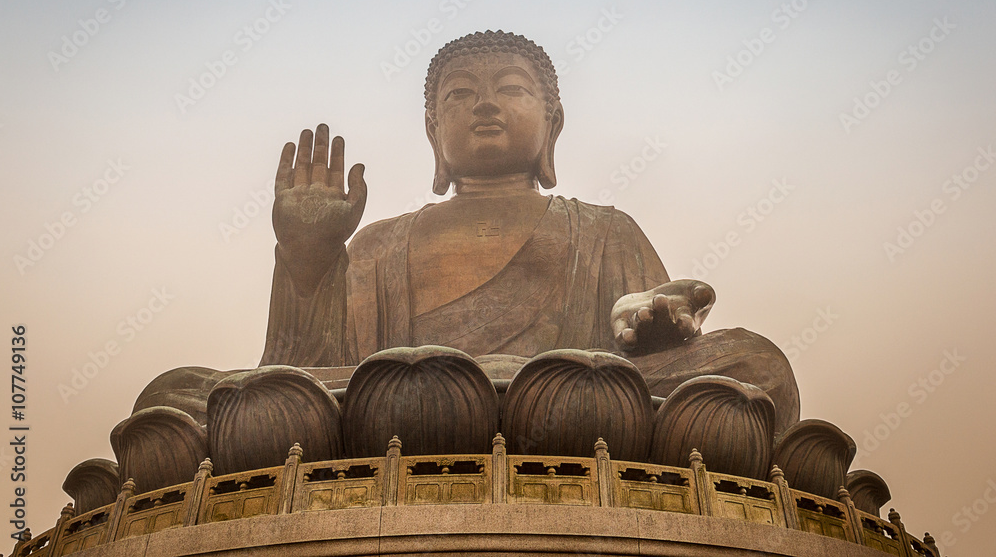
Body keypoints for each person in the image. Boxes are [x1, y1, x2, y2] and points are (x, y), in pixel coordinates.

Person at [259, 30, 799, 433]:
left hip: (565, 406)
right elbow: (304, 374)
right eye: (460, 94)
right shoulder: (380, 244)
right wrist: (308, 262)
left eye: (511, 89)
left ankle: (520, 388)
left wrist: (652, 329)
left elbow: (654, 346)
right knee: (186, 392)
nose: (486, 104)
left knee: (757, 366)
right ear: (433, 131)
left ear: (552, 126)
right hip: (416, 407)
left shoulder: (605, 231)